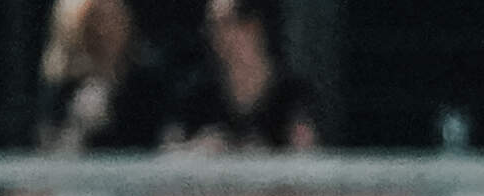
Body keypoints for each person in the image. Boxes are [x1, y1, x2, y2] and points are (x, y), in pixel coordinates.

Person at [164, 0, 318, 153]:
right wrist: (196, 148)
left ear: (254, 26)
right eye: (212, 26)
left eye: (226, 23)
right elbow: (168, 149)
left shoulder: (294, 95)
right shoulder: (200, 96)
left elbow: (307, 154)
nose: (217, 35)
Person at [37, 0, 173, 154]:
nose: (105, 29)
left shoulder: (146, 79)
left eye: (113, 19)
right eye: (95, 20)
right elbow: (49, 146)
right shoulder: (62, 82)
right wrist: (80, 125)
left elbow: (163, 136)